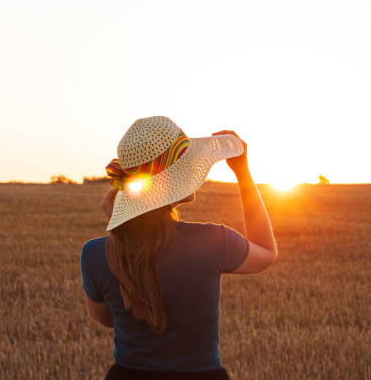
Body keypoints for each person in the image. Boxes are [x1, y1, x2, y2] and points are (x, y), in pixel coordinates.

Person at [80, 116, 277, 379]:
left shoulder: (94, 254)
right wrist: (243, 173)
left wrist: (125, 232)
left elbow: (107, 318)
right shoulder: (212, 241)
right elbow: (266, 252)